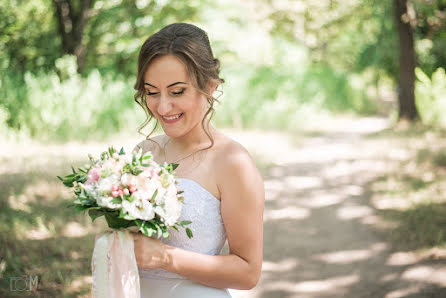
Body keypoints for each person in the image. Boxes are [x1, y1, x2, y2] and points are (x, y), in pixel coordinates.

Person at [130, 23, 264, 298]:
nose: (163, 107)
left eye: (177, 91)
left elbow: (248, 272)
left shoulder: (232, 162)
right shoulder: (143, 153)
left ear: (210, 87)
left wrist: (165, 257)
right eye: (152, 92)